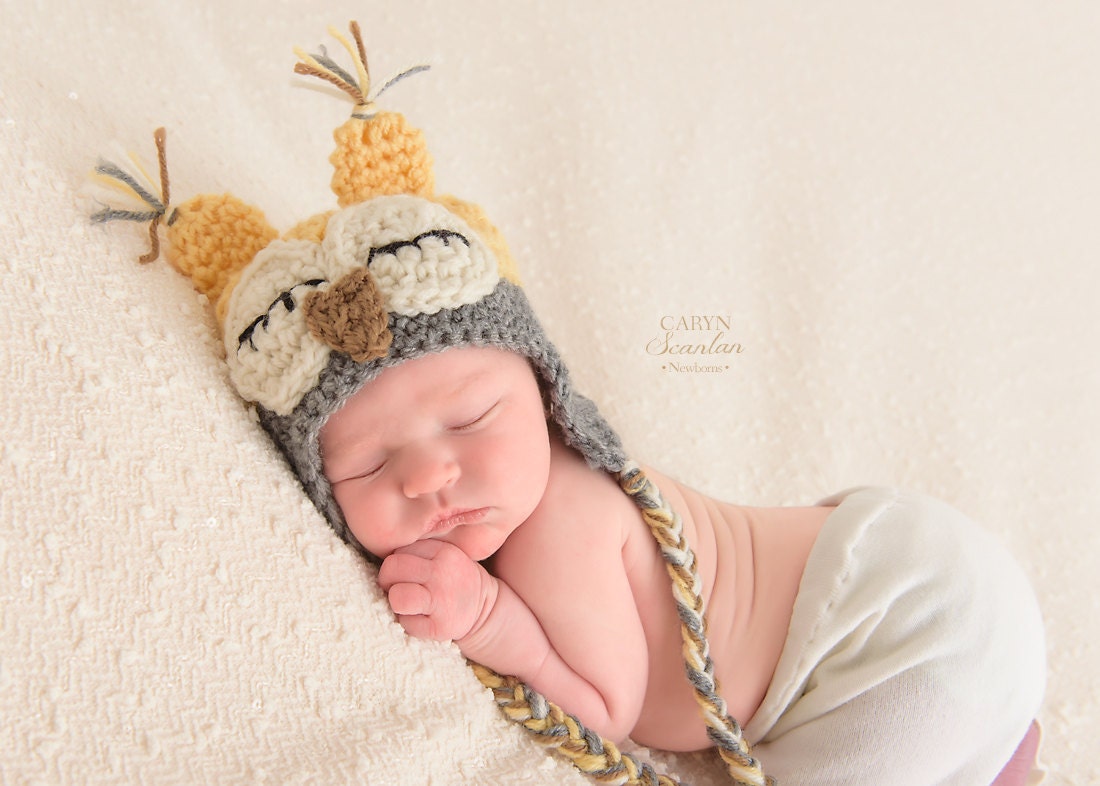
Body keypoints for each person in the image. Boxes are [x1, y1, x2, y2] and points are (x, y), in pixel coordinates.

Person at [97, 23, 1046, 784]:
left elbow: (605, 709)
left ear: (546, 392)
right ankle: (999, 749)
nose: (430, 473)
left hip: (891, 625)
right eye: (369, 466)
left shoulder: (561, 522)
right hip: (918, 575)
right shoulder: (530, 496)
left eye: (470, 420)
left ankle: (981, 728)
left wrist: (488, 623)